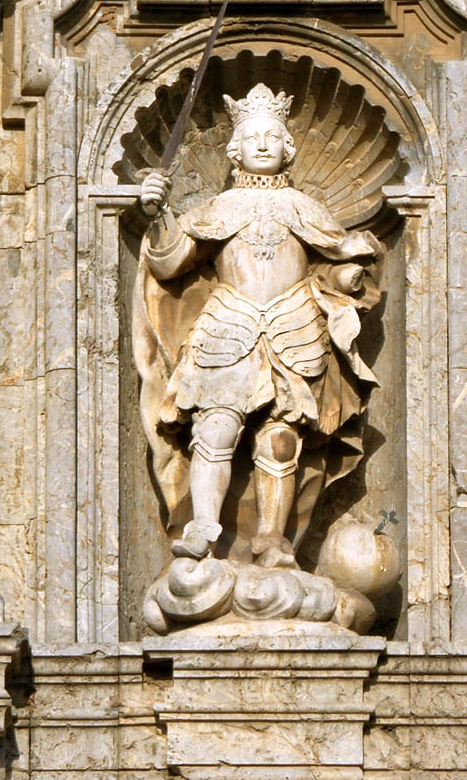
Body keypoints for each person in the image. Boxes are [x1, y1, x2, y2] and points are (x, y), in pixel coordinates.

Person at [136, 82, 382, 568]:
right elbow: (169, 263)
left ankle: (273, 537)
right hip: (229, 326)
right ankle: (203, 527)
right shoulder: (219, 209)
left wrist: (348, 275)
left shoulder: (304, 207)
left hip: (294, 326)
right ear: (236, 149)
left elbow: (338, 254)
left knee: (281, 440)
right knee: (215, 428)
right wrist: (158, 212)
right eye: (253, 137)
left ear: (287, 147)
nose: (263, 144)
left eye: (272, 136)